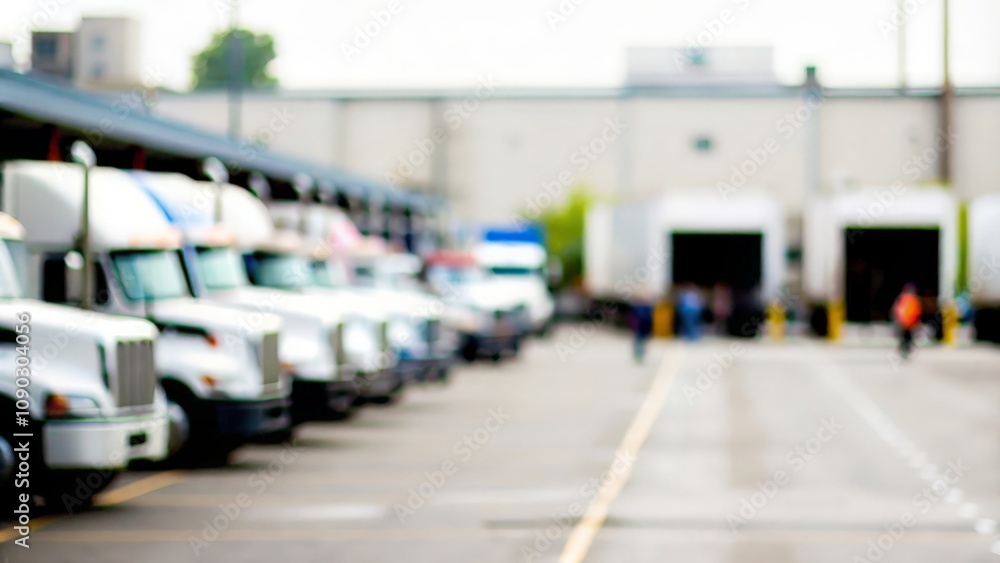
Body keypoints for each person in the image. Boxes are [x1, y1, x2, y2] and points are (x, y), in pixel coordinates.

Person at [893, 283, 922, 358]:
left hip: (906, 322)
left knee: (906, 337)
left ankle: (904, 348)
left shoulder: (905, 298)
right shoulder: (909, 299)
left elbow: (897, 309)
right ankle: (904, 348)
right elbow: (916, 311)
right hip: (907, 322)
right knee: (906, 337)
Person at [630, 291, 654, 363]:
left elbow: (650, 318)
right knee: (638, 341)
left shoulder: (647, 308)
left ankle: (640, 354)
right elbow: (632, 317)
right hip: (638, 327)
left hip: (644, 327)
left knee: (642, 341)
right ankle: (638, 354)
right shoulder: (637, 307)